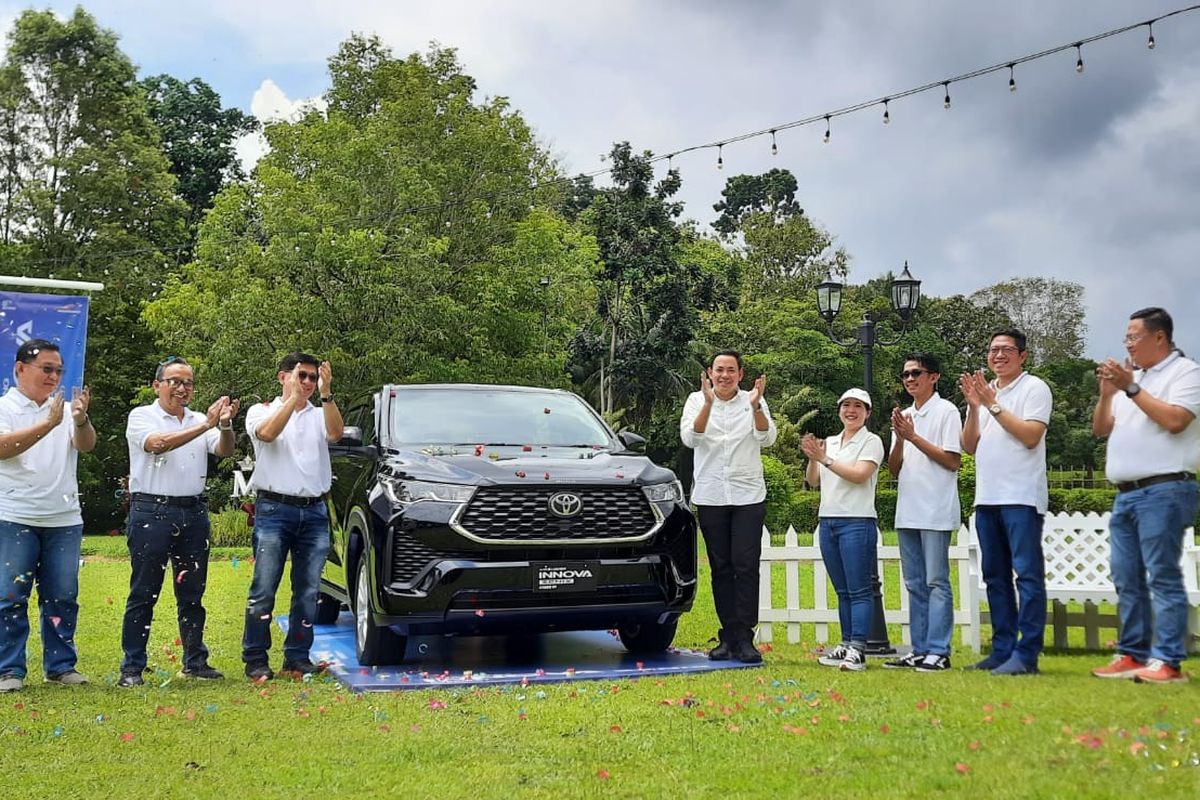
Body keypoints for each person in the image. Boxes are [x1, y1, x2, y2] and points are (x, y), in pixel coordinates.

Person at [1090, 307, 1199, 684]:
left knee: (1162, 575)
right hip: (1126, 494)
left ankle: (1168, 661)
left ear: (1159, 337)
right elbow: (1101, 430)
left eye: (1133, 337)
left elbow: (1175, 421)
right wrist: (1107, 395)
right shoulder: (1130, 381)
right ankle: (1132, 653)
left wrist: (1131, 388)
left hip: (1165, 488)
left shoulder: (1186, 373)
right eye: (1126, 339)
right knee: (1126, 576)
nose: (1128, 345)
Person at [117, 357, 239, 688]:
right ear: (157, 385)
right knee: (144, 591)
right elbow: (157, 445)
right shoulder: (142, 416)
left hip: (193, 511)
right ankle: (132, 667)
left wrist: (224, 425)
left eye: (187, 383)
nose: (182, 388)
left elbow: (224, 451)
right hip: (151, 510)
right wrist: (205, 425)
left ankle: (195, 661)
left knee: (192, 592)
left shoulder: (201, 418)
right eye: (174, 381)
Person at [0, 339, 95, 692]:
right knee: (10, 596)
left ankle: (60, 666)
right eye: (46, 369)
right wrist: (48, 424)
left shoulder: (66, 408)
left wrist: (81, 421)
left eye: (58, 370)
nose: (53, 376)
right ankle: (9, 670)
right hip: (14, 515)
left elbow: (86, 445)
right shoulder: (5, 407)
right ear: (20, 368)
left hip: (64, 518)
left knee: (63, 595)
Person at [242, 352, 343, 681]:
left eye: (313, 378)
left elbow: (336, 434)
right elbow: (267, 434)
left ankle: (297, 657)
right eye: (302, 376)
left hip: (313, 510)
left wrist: (326, 395)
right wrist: (292, 401)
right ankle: (256, 658)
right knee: (264, 588)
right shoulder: (262, 411)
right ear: (282, 377)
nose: (309, 383)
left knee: (308, 591)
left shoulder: (319, 413)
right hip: (274, 508)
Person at [960, 329, 1052, 675]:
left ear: (1023, 356)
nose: (998, 355)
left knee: (1026, 575)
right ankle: (1002, 650)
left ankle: (1026, 654)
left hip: (1021, 497)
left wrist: (992, 404)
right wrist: (974, 407)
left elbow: (1030, 436)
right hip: (987, 497)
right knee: (994, 576)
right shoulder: (986, 394)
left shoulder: (1034, 388)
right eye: (993, 350)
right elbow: (969, 446)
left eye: (1006, 350)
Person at [680, 350, 776, 664]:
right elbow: (691, 438)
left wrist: (756, 406)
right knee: (721, 568)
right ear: (710, 372)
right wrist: (708, 403)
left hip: (748, 495)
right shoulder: (696, 400)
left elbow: (767, 437)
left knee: (745, 565)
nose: (724, 375)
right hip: (711, 496)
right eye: (719, 369)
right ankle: (728, 635)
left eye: (730, 370)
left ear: (740, 374)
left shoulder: (753, 399)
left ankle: (746, 637)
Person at [885, 354, 962, 672]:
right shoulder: (902, 416)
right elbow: (893, 469)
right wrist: (901, 439)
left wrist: (913, 436)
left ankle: (939, 650)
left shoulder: (946, 411)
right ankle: (919, 649)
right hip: (908, 509)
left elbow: (952, 460)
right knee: (914, 583)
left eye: (916, 373)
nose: (910, 379)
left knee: (936, 581)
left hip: (935, 509)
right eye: (905, 374)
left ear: (934, 377)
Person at [802, 388, 884, 672]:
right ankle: (847, 642)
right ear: (839, 409)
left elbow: (860, 476)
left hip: (857, 521)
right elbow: (813, 481)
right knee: (843, 590)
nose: (851, 411)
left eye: (858, 406)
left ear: (867, 412)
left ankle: (859, 648)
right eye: (846, 405)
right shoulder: (832, 442)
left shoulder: (871, 442)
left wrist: (824, 459)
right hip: (829, 521)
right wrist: (814, 457)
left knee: (860, 588)